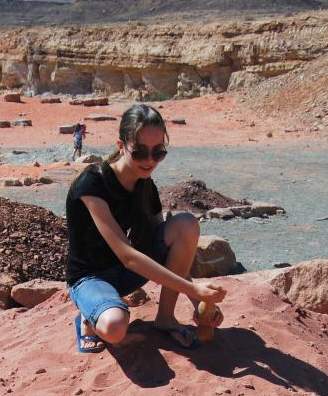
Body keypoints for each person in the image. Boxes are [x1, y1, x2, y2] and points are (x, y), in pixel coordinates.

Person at [66, 103, 225, 353]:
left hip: (125, 274)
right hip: (90, 278)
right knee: (115, 328)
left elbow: (171, 255)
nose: (150, 160)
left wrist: (199, 302)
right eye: (140, 152)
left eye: (158, 152)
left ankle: (165, 318)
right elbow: (128, 257)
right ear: (121, 145)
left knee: (186, 224)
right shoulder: (93, 183)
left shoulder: (145, 186)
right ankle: (89, 316)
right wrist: (194, 289)